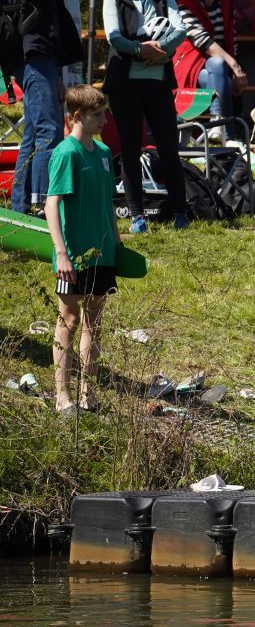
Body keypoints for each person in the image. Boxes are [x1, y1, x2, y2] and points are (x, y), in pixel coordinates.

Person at [1, 0, 83, 213]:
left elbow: (52, 22)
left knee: (36, 131)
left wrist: (59, 73)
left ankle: (21, 206)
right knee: (49, 129)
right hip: (28, 55)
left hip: (44, 58)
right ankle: (43, 204)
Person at [102, 0, 188, 233]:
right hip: (124, 84)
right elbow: (114, 37)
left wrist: (159, 51)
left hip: (158, 83)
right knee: (129, 149)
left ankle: (180, 212)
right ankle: (137, 215)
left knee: (168, 147)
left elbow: (181, 30)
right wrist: (141, 51)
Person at [44, 85, 118, 416]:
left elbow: (108, 204)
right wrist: (61, 253)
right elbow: (51, 205)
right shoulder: (66, 153)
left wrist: (117, 244)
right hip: (73, 255)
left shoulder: (103, 153)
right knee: (69, 319)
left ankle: (88, 392)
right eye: (97, 114)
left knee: (94, 322)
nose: (105, 120)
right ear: (77, 116)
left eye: (105, 112)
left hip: (103, 253)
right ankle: (62, 395)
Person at [174, 0, 247, 124]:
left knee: (218, 68)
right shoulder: (184, 4)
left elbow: (232, 39)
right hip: (190, 64)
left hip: (217, 68)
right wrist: (235, 66)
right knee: (221, 72)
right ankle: (221, 126)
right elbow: (203, 41)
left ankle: (218, 125)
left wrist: (235, 72)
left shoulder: (227, 4)